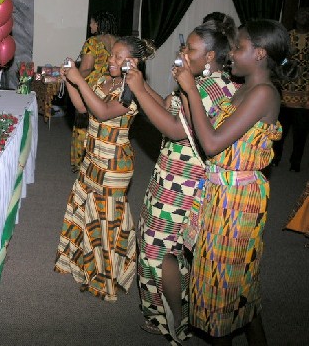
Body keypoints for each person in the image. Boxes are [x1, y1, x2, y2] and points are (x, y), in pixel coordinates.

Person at [173, 19, 292, 345]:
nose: (232, 54)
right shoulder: (243, 90)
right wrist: (188, 97)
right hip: (221, 193)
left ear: (260, 54)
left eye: (239, 47)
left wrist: (192, 90)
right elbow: (207, 138)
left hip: (237, 202)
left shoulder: (264, 94)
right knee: (234, 283)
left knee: (222, 290)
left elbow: (211, 144)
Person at [126, 18, 240, 343]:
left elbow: (175, 129)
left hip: (182, 184)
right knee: (168, 250)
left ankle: (173, 322)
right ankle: (179, 313)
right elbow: (168, 106)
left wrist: (135, 88)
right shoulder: (211, 82)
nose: (183, 52)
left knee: (158, 252)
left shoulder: (205, 88)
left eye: (190, 48)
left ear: (209, 56)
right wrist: (141, 83)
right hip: (179, 177)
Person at [55, 36, 155, 301]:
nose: (111, 60)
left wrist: (79, 79)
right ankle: (82, 265)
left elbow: (102, 112)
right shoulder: (103, 81)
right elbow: (82, 107)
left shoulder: (132, 90)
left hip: (114, 165)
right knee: (85, 212)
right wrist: (69, 81)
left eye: (118, 57)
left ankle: (107, 278)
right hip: (92, 159)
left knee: (106, 222)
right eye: (112, 55)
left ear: (133, 62)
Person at [70, 11, 118, 172]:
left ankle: (82, 162)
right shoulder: (119, 43)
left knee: (84, 122)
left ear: (99, 24)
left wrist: (71, 74)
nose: (90, 25)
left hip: (93, 88)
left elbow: (86, 68)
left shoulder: (93, 42)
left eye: (92, 22)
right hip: (113, 87)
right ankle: (102, 158)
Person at [272, 6, 309, 172]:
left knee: (301, 132)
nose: (304, 17)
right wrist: (289, 60)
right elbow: (280, 62)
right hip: (286, 91)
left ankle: (296, 162)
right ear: (295, 16)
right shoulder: (287, 37)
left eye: (307, 14)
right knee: (281, 129)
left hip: (305, 93)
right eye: (301, 13)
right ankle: (276, 158)